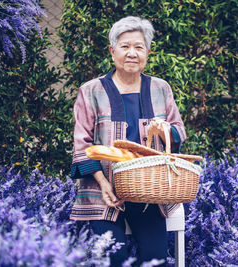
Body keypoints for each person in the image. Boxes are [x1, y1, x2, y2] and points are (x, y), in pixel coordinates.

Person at [69, 16, 187, 266]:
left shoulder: (161, 88)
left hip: (148, 191)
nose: (132, 53)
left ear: (148, 52)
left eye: (139, 47)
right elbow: (82, 145)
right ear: (112, 52)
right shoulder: (90, 91)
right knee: (114, 255)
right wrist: (103, 184)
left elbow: (179, 130)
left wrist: (165, 129)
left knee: (155, 258)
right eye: (125, 46)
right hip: (103, 191)